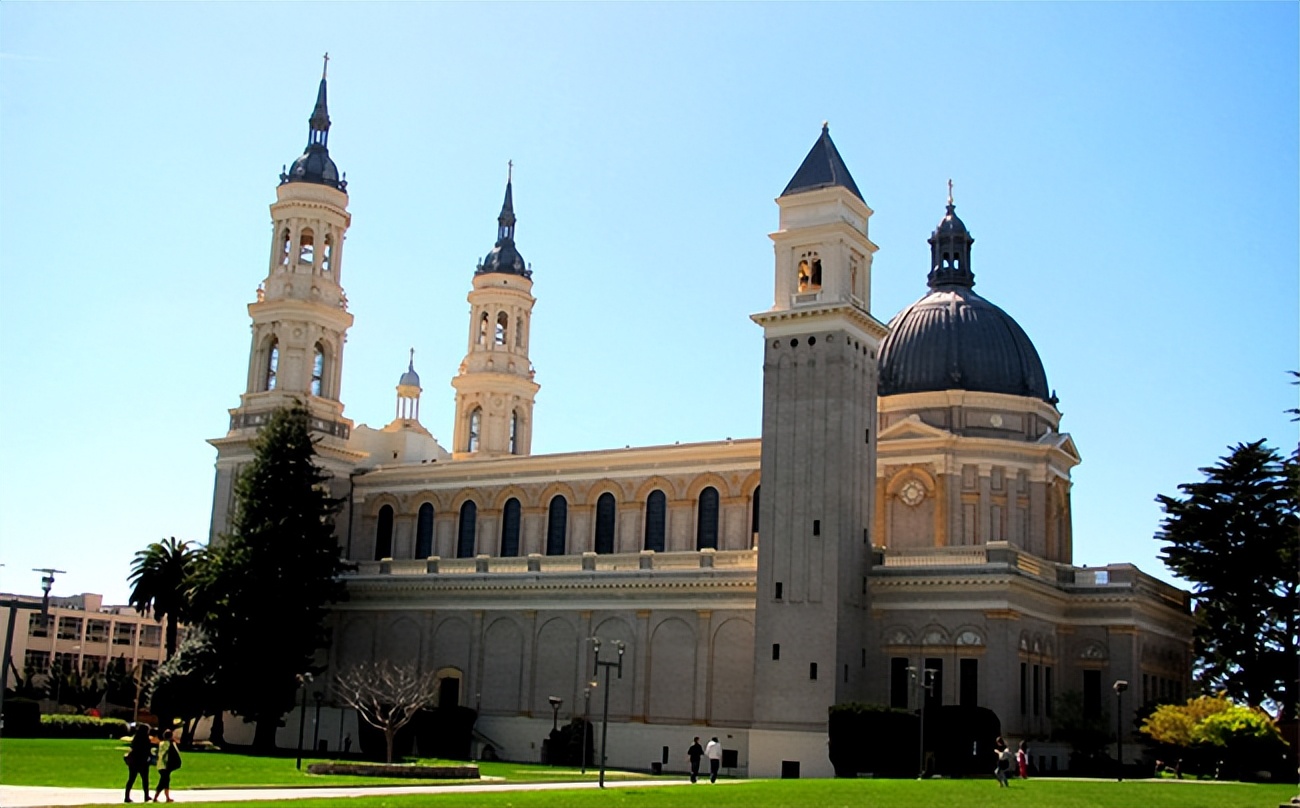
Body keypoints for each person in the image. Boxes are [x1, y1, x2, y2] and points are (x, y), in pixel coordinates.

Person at [123, 723, 153, 803]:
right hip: (143, 762)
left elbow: (133, 748)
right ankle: (146, 796)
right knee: (145, 780)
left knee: (131, 779)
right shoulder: (146, 739)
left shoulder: (135, 739)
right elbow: (147, 751)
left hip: (134, 762)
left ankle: (127, 796)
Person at [154, 728, 181, 803]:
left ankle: (166, 797)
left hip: (160, 765)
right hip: (166, 766)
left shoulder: (161, 743)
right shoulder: (170, 744)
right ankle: (157, 797)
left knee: (165, 781)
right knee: (164, 782)